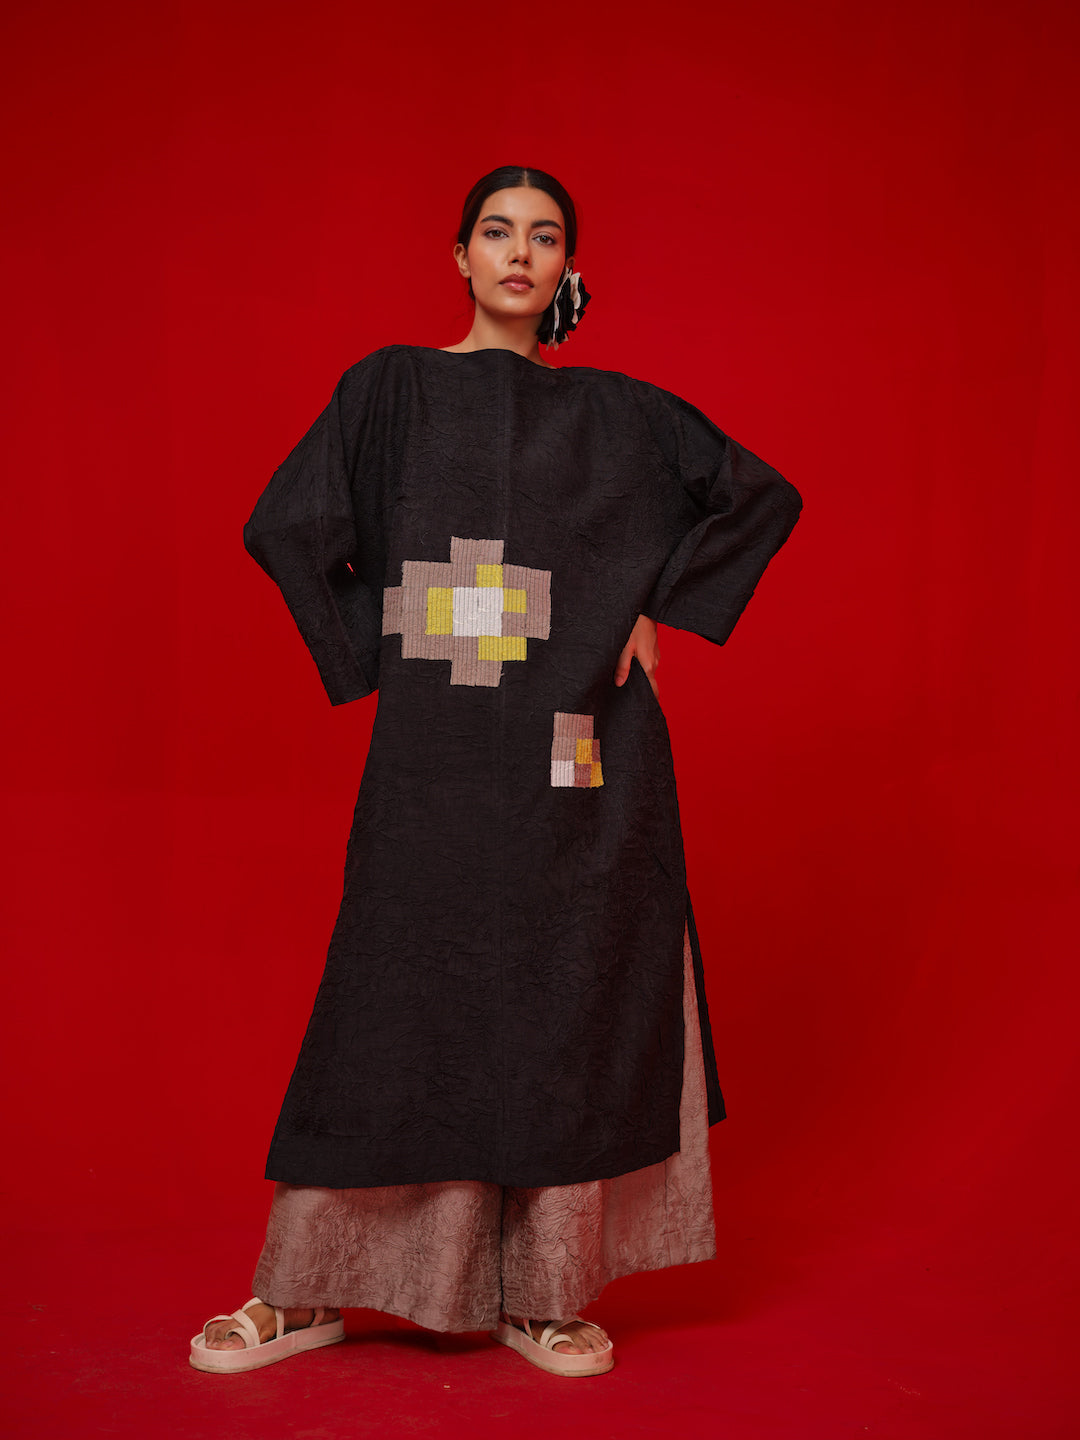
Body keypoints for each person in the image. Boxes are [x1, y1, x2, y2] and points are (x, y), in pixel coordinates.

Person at [189, 165, 802, 1378]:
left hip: (580, 753)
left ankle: (543, 1295)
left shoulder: (621, 414)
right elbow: (289, 523)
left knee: (568, 989)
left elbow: (759, 496)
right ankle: (307, 1288)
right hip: (436, 755)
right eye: (497, 231)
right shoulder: (391, 389)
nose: (520, 252)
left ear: (569, 268)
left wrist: (659, 606)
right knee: (393, 991)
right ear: (460, 254)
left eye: (546, 236)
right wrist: (379, 653)